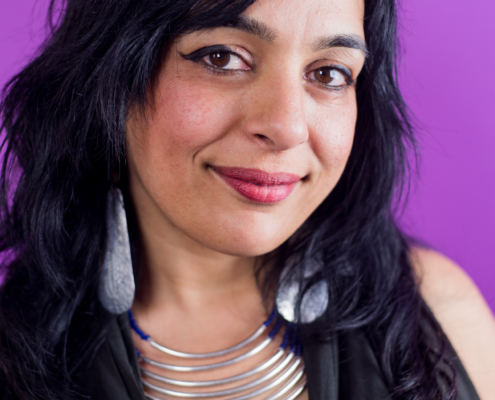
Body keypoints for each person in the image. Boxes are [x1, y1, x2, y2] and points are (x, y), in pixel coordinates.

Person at [0, 0, 494, 399]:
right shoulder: (12, 355)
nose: (286, 127)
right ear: (111, 77)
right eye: (222, 57)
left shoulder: (436, 313)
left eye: (328, 74)